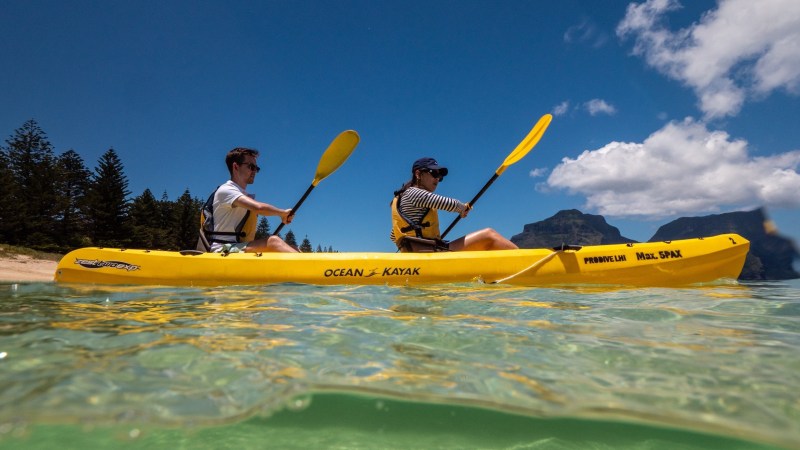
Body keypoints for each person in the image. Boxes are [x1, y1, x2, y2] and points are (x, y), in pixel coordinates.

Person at [390, 157, 518, 252]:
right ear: (418, 174)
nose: (437, 179)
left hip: (419, 252)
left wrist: (422, 236)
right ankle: (525, 259)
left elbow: (393, 235)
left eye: (440, 176)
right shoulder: (414, 193)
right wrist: (462, 208)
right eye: (434, 173)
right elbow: (448, 203)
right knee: (489, 235)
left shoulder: (403, 197)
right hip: (429, 253)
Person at [197, 147, 298, 253]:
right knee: (273, 242)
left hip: (236, 247)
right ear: (236, 167)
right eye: (251, 167)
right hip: (222, 249)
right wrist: (282, 213)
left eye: (256, 168)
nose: (254, 171)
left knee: (294, 248)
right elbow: (258, 208)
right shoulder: (226, 190)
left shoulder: (240, 193)